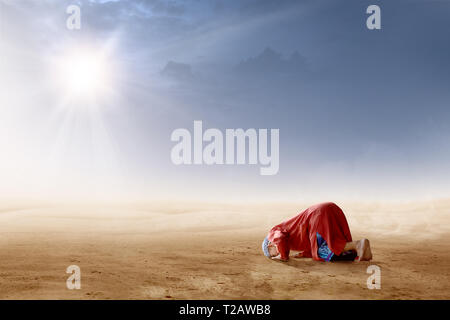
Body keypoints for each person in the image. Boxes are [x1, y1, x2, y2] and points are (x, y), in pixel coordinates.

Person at [262, 202, 372, 262]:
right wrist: (303, 254)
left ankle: (358, 244)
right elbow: (309, 242)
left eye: (273, 254)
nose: (276, 254)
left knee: (321, 252)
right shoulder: (284, 235)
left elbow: (279, 239)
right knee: (325, 245)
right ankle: (361, 252)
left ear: (270, 244)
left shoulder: (272, 233)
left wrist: (282, 256)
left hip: (317, 216)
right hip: (324, 210)